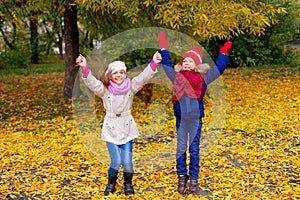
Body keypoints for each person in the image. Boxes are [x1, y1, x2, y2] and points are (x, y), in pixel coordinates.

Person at [76, 51, 162, 196]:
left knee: (127, 163)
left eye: (122, 72)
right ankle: (111, 183)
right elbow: (92, 82)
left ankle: (128, 184)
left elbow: (143, 78)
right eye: (115, 73)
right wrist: (84, 67)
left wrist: (154, 63)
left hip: (127, 127)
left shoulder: (131, 86)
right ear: (110, 75)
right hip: (111, 128)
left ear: (125, 74)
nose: (119, 75)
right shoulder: (104, 90)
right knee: (116, 162)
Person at [158, 32, 232, 194]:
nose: (187, 63)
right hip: (181, 119)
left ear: (196, 65)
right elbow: (167, 65)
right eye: (184, 61)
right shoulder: (177, 77)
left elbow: (218, 69)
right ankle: (182, 177)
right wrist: (163, 48)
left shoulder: (202, 79)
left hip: (196, 119)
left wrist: (223, 54)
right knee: (180, 148)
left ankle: (194, 180)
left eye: (190, 61)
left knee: (194, 149)